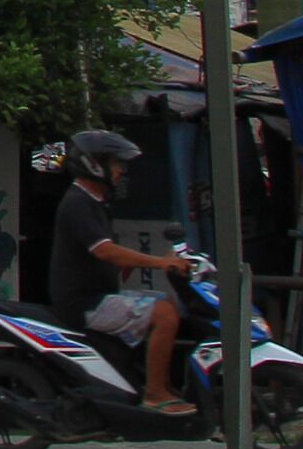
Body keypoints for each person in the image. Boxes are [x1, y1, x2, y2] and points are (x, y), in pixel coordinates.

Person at [48, 129, 194, 414]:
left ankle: (155, 383)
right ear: (94, 165)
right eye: (115, 163)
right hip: (85, 304)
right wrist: (159, 263)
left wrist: (138, 262)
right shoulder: (78, 202)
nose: (120, 170)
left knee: (167, 304)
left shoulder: (96, 202)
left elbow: (107, 254)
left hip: (100, 295)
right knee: (164, 313)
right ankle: (155, 394)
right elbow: (104, 250)